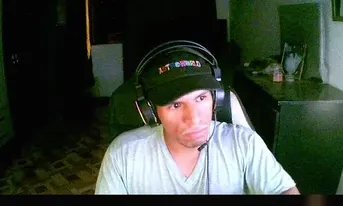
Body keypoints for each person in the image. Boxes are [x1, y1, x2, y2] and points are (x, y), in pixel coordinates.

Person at [95, 43, 298, 195]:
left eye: (201, 98)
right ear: (151, 111)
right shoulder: (122, 156)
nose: (193, 119)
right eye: (175, 105)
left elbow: (283, 190)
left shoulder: (245, 144)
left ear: (216, 99)